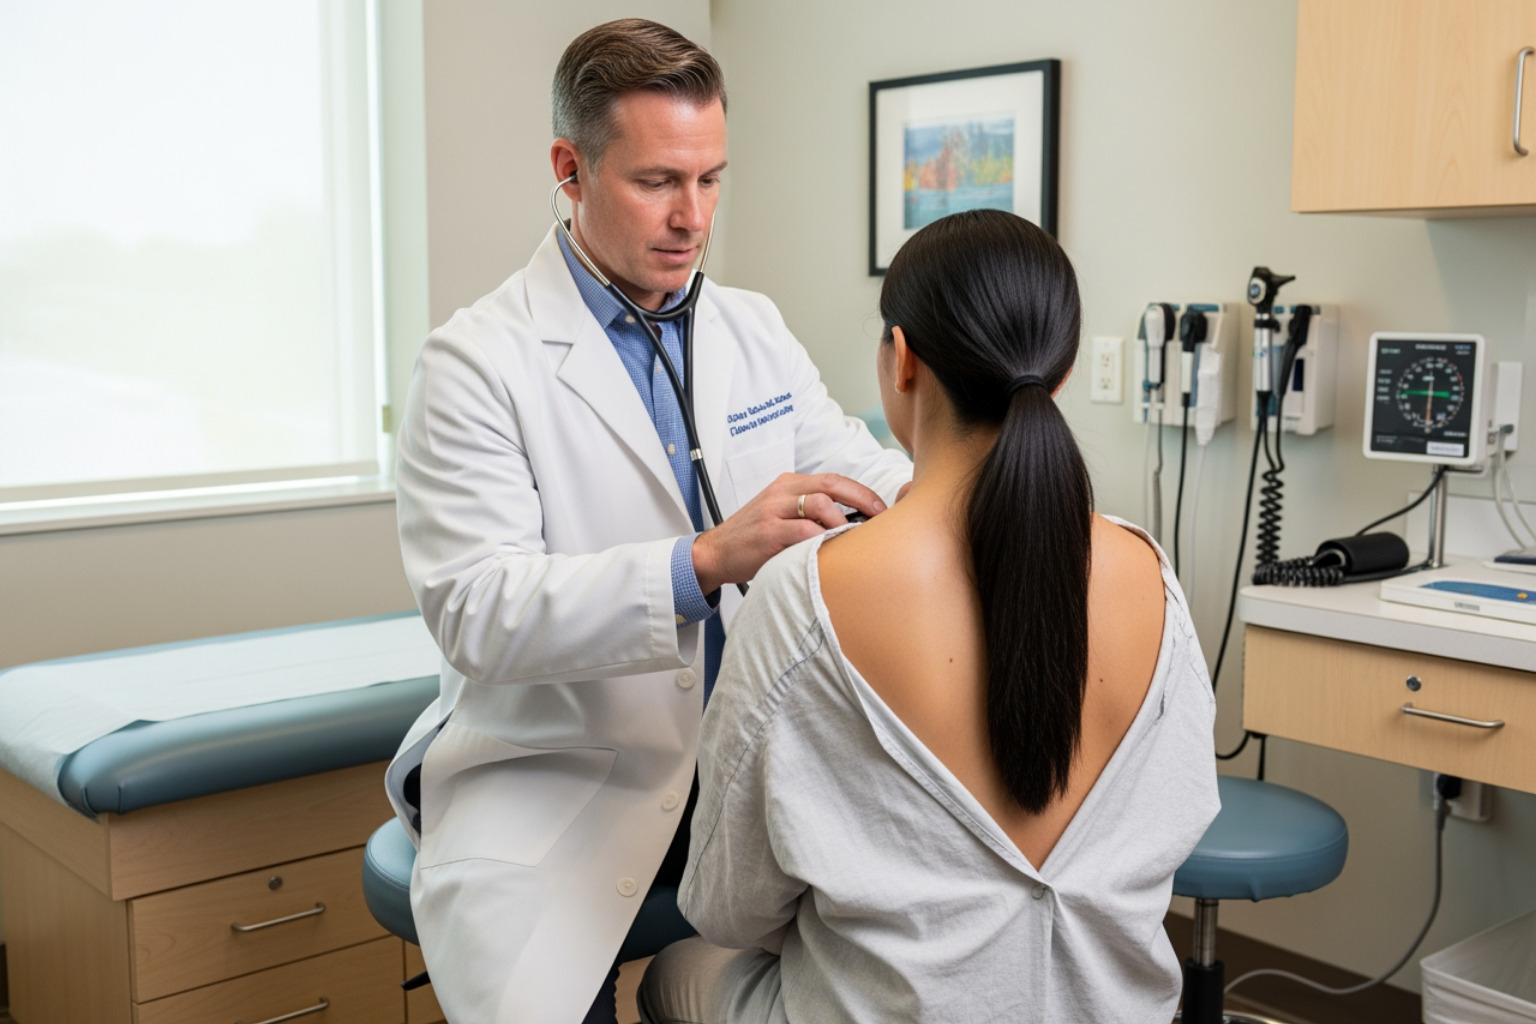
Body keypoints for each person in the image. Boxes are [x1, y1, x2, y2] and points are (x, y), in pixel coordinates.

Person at [382, 18, 911, 1024]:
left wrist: (984, 488)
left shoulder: (749, 326)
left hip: (746, 768)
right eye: (659, 181)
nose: (693, 216)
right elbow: (477, 610)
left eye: (711, 178)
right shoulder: (477, 363)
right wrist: (703, 560)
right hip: (562, 773)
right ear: (569, 169)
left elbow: (858, 465)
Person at [639, 209, 1221, 1023]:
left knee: (673, 971)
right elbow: (1182, 814)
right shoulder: (1147, 570)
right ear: (1063, 369)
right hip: (1112, 1007)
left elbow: (727, 904)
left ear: (902, 359)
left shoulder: (806, 592)